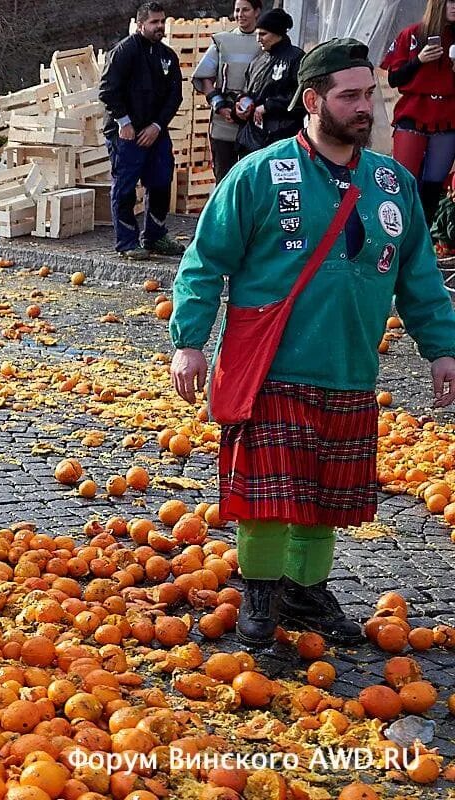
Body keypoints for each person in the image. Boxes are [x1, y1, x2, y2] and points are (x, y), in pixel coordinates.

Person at [169, 39, 455, 649]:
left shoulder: (392, 182)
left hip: (350, 366)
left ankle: (304, 590)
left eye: (369, 93)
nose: (364, 107)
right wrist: (189, 341)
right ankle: (262, 592)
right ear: (311, 100)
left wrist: (442, 348)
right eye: (348, 95)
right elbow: (204, 260)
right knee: (269, 497)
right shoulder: (260, 174)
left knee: (324, 498)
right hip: (272, 364)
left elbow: (419, 276)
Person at [99, 1, 184, 261]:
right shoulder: (124, 52)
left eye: (162, 21)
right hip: (125, 133)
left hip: (155, 132)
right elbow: (107, 91)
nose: (159, 27)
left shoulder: (167, 56)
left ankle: (155, 236)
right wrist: (124, 122)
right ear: (140, 24)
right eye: (154, 22)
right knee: (125, 188)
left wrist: (157, 126)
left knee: (160, 182)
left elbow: (174, 96)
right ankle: (127, 242)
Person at [381, 0, 455, 224]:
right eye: (450, 1)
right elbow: (394, 79)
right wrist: (419, 60)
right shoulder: (412, 34)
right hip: (413, 113)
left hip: (448, 116)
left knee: (433, 185)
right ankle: (397, 237)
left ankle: (423, 245)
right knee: (403, 181)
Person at [191, 0, 261, 181]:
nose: (240, 14)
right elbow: (205, 76)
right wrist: (219, 104)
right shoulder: (222, 41)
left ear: (257, 12)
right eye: (237, 10)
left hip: (254, 123)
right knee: (224, 178)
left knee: (250, 179)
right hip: (224, 122)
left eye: (246, 10)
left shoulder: (265, 41)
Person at [232, 8, 305, 157]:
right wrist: (241, 104)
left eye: (263, 34)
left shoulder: (296, 58)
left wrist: (268, 106)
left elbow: (301, 98)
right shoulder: (258, 60)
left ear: (278, 33)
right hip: (253, 140)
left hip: (282, 139)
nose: (258, 38)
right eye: (257, 34)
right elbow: (247, 90)